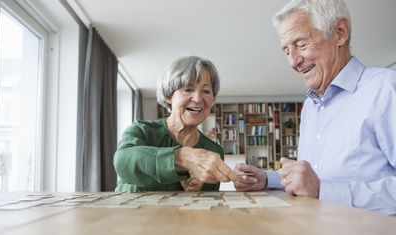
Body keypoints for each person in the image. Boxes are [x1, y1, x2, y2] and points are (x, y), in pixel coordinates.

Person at [235, 0, 396, 215]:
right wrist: (266, 179)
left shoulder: (386, 89)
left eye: (301, 45)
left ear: (340, 32)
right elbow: (312, 177)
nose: (293, 62)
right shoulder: (310, 106)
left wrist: (322, 190)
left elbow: (317, 186)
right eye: (286, 51)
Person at [114, 56, 239, 192]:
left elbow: (207, 206)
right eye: (188, 89)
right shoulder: (142, 131)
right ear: (169, 96)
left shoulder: (214, 152)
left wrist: (195, 193)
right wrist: (183, 157)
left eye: (206, 91)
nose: (198, 99)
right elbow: (122, 162)